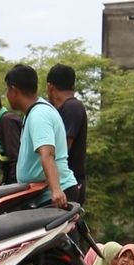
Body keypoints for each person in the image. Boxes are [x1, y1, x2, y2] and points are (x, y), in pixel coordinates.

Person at [4, 64, 78, 208]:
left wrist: (56, 190)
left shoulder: (39, 115)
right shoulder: (34, 111)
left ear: (13, 90)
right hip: (43, 194)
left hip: (55, 195)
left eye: (7, 89)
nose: (7, 94)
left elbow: (47, 154)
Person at [47, 64, 88, 204]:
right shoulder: (69, 107)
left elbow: (62, 149)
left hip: (70, 183)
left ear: (50, 87)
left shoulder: (71, 107)